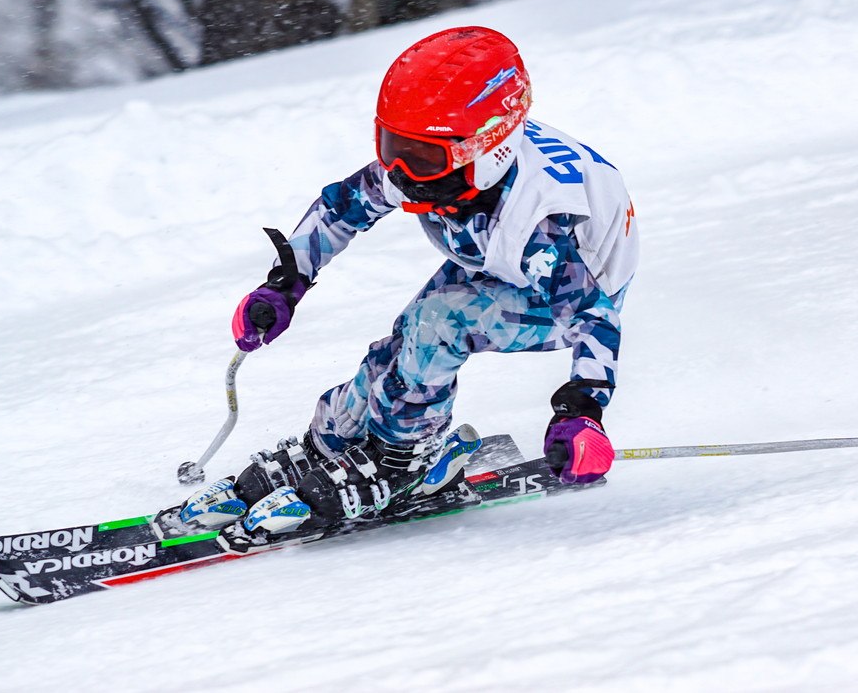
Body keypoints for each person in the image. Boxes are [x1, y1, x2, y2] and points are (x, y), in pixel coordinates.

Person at [180, 26, 638, 539]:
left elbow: (594, 319)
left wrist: (582, 411)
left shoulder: (541, 223)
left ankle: (404, 458)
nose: (399, 172)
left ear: (490, 150)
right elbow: (343, 208)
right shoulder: (432, 171)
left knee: (438, 323)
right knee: (399, 347)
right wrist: (286, 285)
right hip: (491, 257)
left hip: (563, 293)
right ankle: (334, 440)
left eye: (420, 156)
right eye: (391, 146)